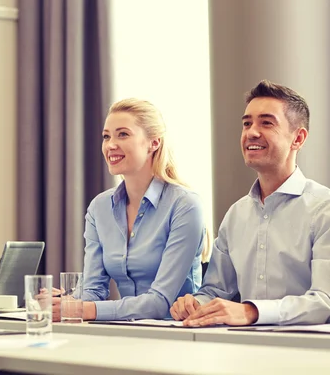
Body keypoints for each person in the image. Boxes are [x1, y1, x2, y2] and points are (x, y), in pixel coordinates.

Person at [171, 80, 330, 327]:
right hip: (243, 351)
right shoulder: (236, 214)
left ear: (298, 138)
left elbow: (324, 302)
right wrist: (195, 305)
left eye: (266, 123)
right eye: (247, 123)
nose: (251, 132)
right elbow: (215, 291)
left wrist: (251, 312)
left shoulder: (324, 209)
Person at [52, 98, 208, 322]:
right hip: (125, 333)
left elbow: (159, 302)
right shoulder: (99, 208)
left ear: (154, 143)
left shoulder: (185, 206)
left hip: (177, 335)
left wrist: (82, 309)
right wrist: (65, 302)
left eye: (123, 134)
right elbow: (93, 290)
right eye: (106, 136)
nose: (110, 145)